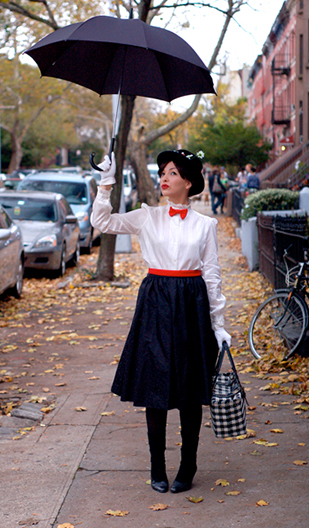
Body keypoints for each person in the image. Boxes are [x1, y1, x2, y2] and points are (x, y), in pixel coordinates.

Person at [90, 149, 230, 495]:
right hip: (155, 299)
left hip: (191, 302)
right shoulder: (146, 216)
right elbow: (102, 223)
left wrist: (219, 323)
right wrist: (106, 183)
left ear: (188, 181)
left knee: (189, 388)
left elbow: (211, 274)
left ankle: (188, 463)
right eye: (162, 173)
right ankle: (156, 466)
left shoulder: (205, 224)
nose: (164, 179)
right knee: (155, 384)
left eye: (171, 173)